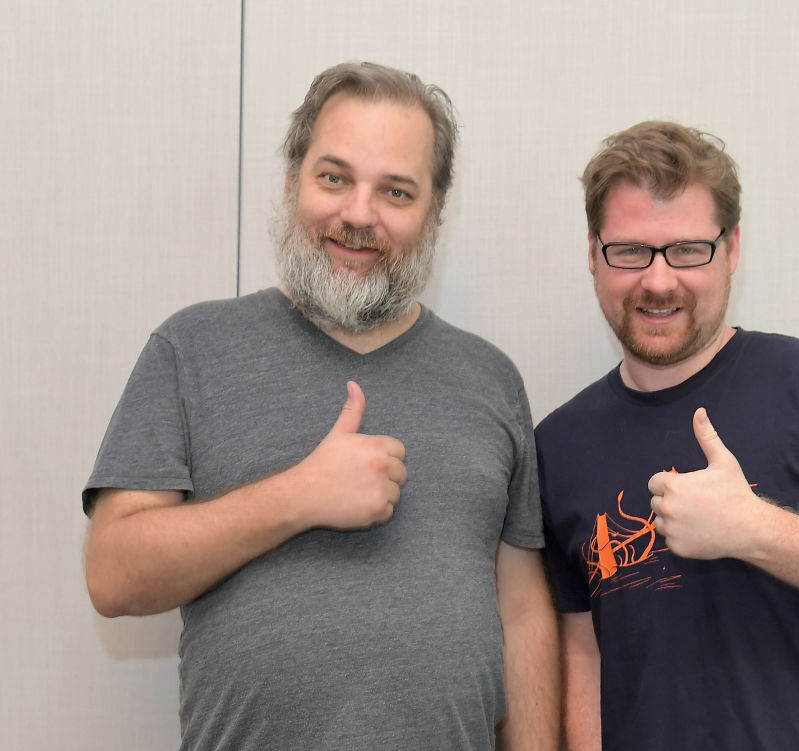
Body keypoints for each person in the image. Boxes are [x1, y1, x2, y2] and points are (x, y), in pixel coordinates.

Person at [83, 61, 558, 751]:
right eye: (334, 177)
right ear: (290, 181)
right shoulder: (192, 348)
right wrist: (297, 497)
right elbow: (113, 572)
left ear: (434, 212)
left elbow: (520, 613)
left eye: (396, 190)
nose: (359, 214)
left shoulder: (491, 379)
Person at [536, 121, 799, 750]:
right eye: (630, 250)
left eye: (688, 249)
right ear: (593, 253)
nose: (658, 281)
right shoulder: (559, 445)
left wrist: (758, 531)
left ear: (732, 248)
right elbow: (585, 657)